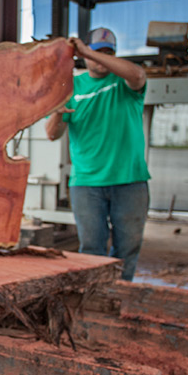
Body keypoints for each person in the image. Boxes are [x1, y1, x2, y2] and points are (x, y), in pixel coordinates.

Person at [45, 28, 150, 281]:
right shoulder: (71, 86)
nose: (100, 57)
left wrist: (89, 52)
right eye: (95, 51)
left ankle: (119, 293)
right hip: (87, 183)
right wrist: (58, 112)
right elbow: (51, 134)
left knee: (127, 247)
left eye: (107, 53)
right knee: (91, 249)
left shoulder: (123, 83)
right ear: (81, 56)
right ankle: (93, 297)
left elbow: (138, 74)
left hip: (130, 180)